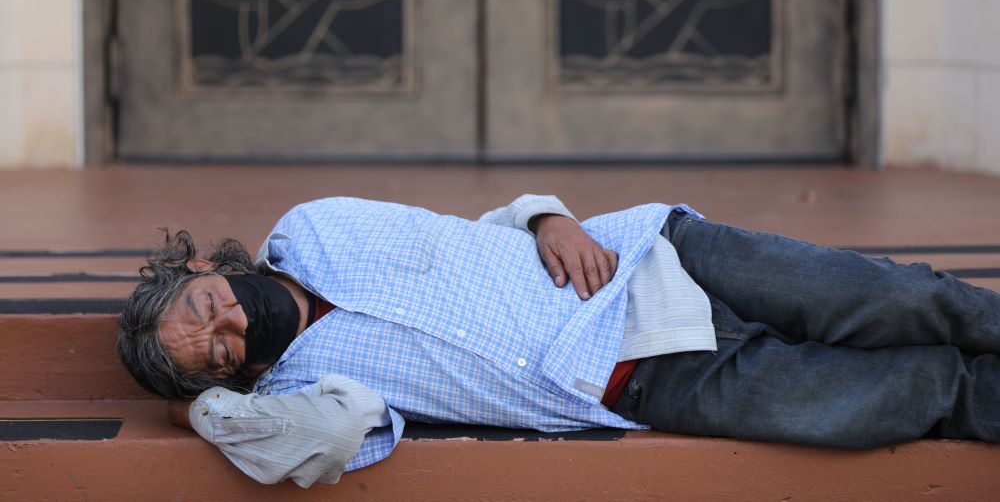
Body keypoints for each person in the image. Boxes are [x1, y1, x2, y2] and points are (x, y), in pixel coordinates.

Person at [116, 195, 1000, 487]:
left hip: (650, 257)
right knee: (898, 398)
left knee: (903, 298)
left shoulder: (312, 227)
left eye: (205, 307)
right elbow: (345, 435)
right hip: (635, 378)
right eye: (217, 353)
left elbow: (465, 223)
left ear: (200, 264)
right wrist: (210, 412)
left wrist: (546, 212)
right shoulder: (291, 400)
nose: (228, 325)